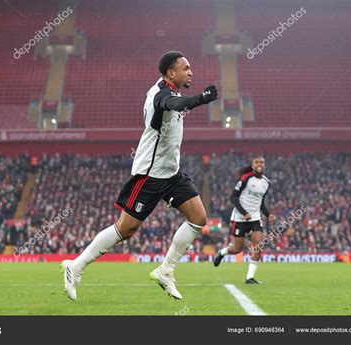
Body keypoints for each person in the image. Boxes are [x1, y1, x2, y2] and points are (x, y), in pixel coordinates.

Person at [62, 51, 218, 300]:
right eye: (185, 68)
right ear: (170, 73)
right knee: (126, 229)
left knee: (198, 218)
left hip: (171, 173)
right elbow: (173, 105)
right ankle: (76, 266)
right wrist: (201, 99)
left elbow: (176, 103)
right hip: (150, 174)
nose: (191, 72)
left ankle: (166, 270)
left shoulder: (172, 91)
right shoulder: (160, 94)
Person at [212, 156, 275, 284]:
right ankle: (222, 252)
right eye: (257, 162)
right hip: (239, 218)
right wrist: (244, 213)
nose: (259, 164)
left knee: (259, 245)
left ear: (264, 165)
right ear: (252, 165)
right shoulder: (245, 178)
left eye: (262, 162)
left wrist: (268, 215)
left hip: (255, 219)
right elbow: (233, 198)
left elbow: (261, 202)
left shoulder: (266, 183)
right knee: (237, 249)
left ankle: (249, 278)